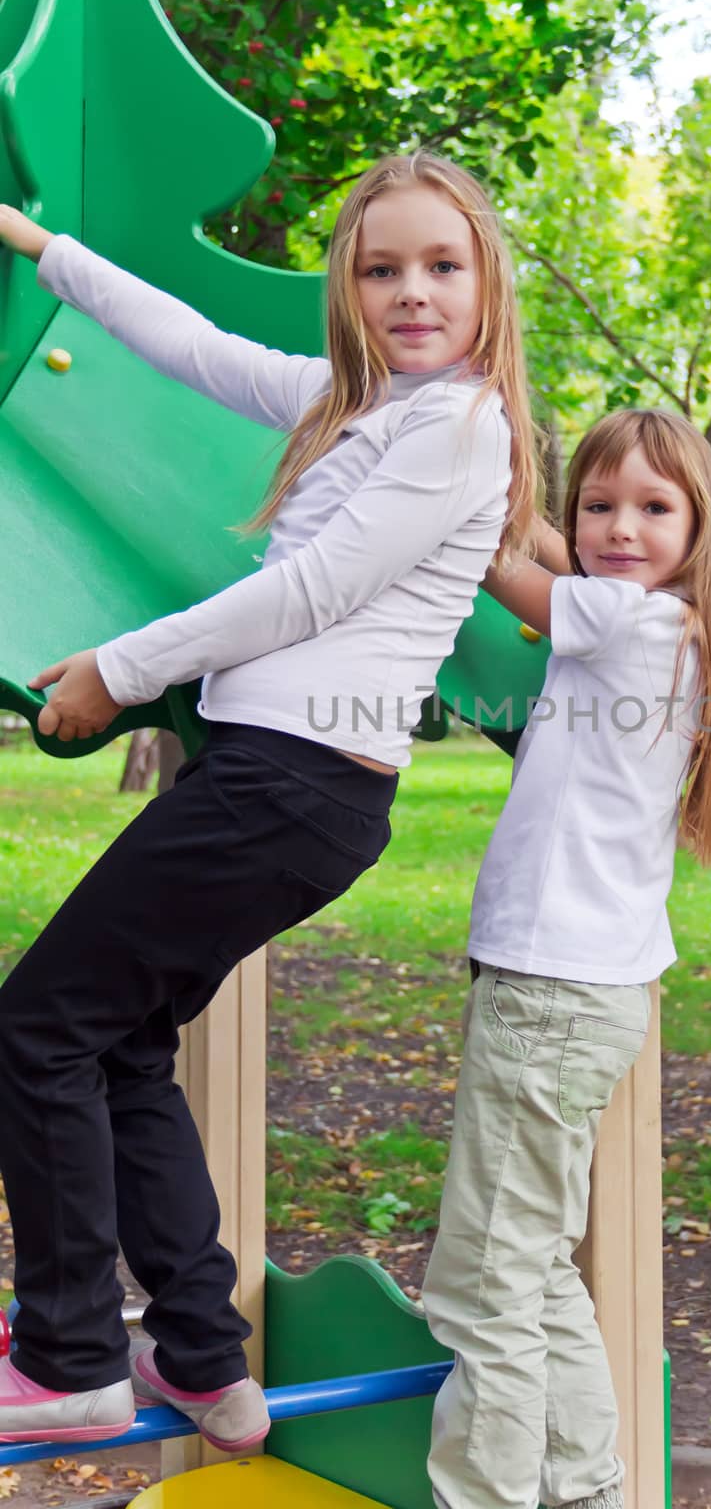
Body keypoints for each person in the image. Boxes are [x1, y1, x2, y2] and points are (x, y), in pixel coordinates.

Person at [0, 149, 537, 1449]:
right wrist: (32, 245)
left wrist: (116, 675)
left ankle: (72, 1354)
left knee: (36, 1030)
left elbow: (311, 591)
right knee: (118, 1041)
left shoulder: (461, 428)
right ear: (349, 291)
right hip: (279, 788)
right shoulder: (342, 408)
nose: (411, 291)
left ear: (486, 287)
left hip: (294, 785)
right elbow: (179, 342)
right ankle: (203, 1364)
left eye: (440, 265)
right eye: (379, 267)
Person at [421, 409, 711, 1509]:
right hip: (588, 989)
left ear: (699, 525)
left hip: (547, 990)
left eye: (653, 508)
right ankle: (588, 1489)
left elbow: (504, 568)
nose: (616, 528)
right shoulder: (673, 625)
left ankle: (492, 1494)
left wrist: (440, 487)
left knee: (481, 1286)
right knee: (535, 1264)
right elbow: (570, 566)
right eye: (597, 505)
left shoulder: (619, 624)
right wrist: (564, 533)